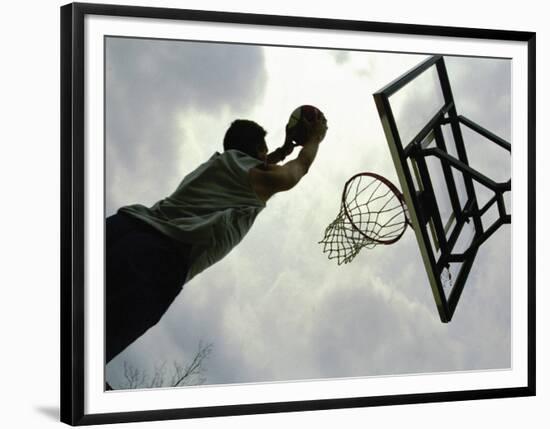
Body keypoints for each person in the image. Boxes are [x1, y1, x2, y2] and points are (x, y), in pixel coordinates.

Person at [106, 113, 328, 363]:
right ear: (257, 150)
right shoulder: (258, 179)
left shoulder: (221, 164)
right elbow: (298, 170)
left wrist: (283, 149)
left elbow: (260, 162)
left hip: (124, 226)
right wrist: (315, 138)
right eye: (264, 152)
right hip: (156, 257)